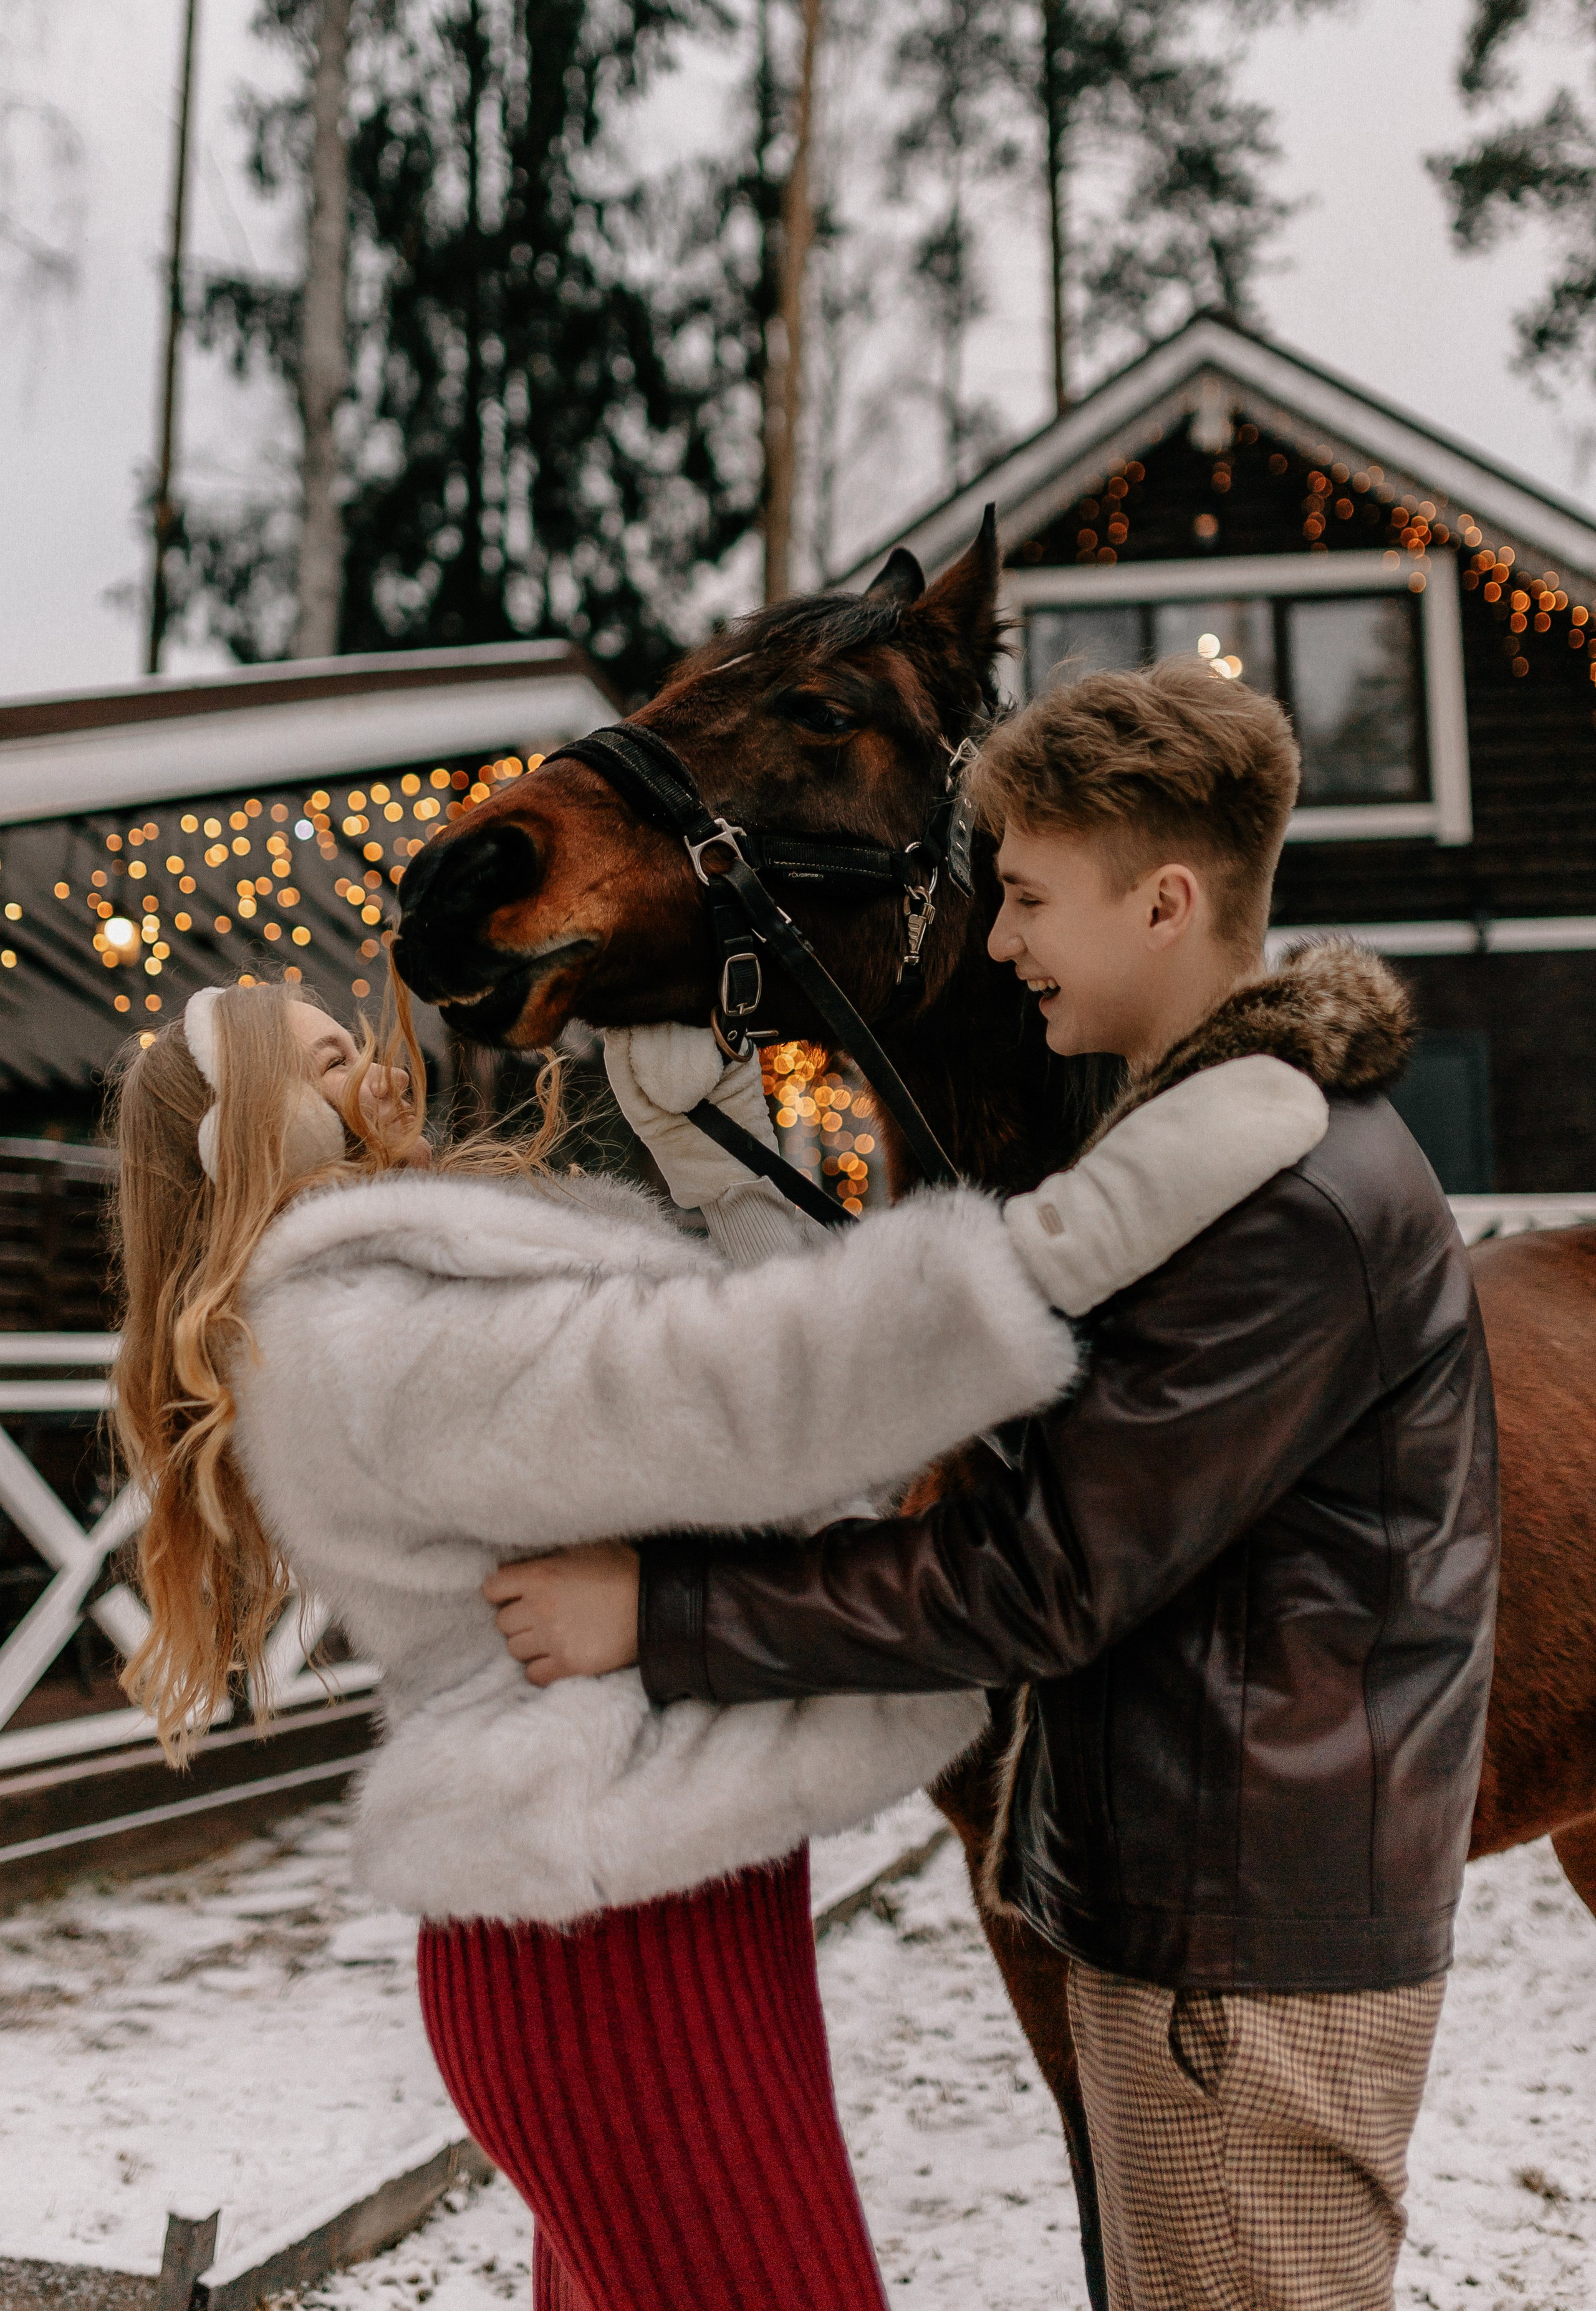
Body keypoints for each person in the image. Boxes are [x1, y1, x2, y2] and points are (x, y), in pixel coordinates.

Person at [489, 658, 1501, 2311]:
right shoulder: (1187, 1158)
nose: (1005, 939)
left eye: (1027, 897)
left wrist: (655, 1618)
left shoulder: (1283, 1202)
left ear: (1164, 903)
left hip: (1237, 1955)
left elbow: (1038, 1574)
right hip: (1185, 1917)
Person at [109, 957, 1320, 2311]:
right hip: (610, 1956)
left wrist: (725, 1169)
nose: (376, 1071)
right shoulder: (359, 1335)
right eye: (324, 1064)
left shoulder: (403, 1284)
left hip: (642, 1902)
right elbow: (729, 1400)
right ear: (253, 1137)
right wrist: (1065, 1244)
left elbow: (761, 1439)